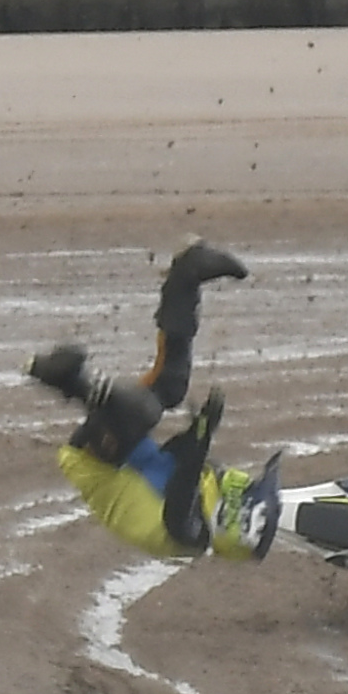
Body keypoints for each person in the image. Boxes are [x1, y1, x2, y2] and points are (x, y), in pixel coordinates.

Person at [25, 239, 282, 563]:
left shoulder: (189, 535)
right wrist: (195, 435)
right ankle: (185, 277)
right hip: (121, 451)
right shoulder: (203, 500)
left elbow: (180, 490)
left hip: (97, 462)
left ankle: (70, 380)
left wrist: (202, 435)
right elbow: (173, 456)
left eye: (249, 493)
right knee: (170, 386)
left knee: (143, 410)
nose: (245, 484)